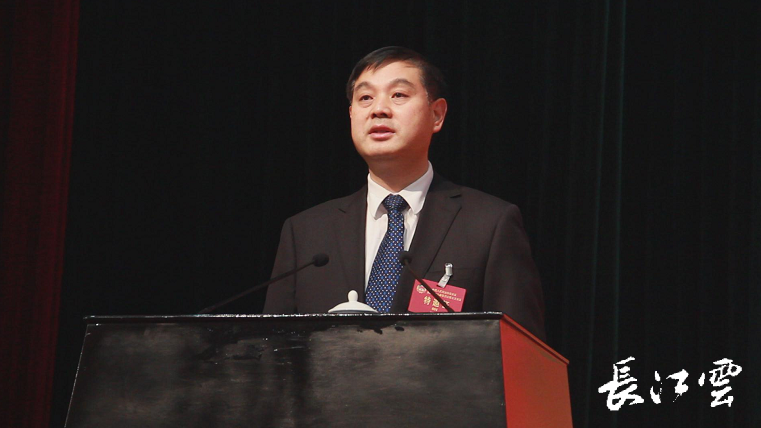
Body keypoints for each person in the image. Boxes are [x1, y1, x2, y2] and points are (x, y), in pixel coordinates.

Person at [263, 46, 545, 340]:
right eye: (365, 98)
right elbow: (271, 350)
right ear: (351, 115)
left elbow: (521, 352)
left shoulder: (489, 224)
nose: (378, 109)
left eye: (398, 95)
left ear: (437, 114)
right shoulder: (305, 233)